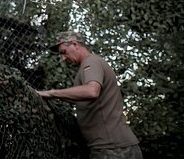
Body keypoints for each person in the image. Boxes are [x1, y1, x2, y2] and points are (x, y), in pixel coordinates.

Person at [36, 31, 142, 159]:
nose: (63, 58)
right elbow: (82, 98)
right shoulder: (89, 65)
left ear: (75, 44)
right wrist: (54, 96)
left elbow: (91, 91)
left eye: (63, 52)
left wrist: (51, 93)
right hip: (111, 147)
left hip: (113, 149)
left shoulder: (91, 62)